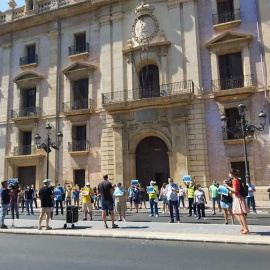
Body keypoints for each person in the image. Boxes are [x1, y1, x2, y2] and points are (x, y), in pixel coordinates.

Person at [225, 169, 250, 234]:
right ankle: (243, 226)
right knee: (236, 212)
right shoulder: (236, 179)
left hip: (237, 197)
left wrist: (227, 187)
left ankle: (246, 228)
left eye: (229, 173)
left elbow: (235, 189)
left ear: (232, 174)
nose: (229, 175)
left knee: (241, 214)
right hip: (237, 197)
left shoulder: (234, 180)